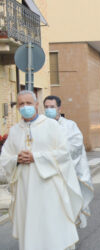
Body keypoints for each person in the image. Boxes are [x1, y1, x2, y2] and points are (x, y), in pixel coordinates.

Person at [0, 90, 83, 250]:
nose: (25, 107)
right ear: (17, 107)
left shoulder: (51, 126)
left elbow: (64, 153)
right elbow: (4, 158)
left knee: (51, 228)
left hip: (49, 189)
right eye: (21, 104)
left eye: (28, 103)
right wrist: (16, 159)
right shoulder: (15, 131)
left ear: (36, 105)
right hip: (25, 190)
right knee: (30, 230)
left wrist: (36, 157)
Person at [43, 95, 94, 228]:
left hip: (66, 174)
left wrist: (54, 154)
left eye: (52, 107)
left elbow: (76, 146)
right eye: (46, 107)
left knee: (66, 208)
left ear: (59, 108)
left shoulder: (70, 126)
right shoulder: (40, 126)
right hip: (45, 174)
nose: (49, 109)